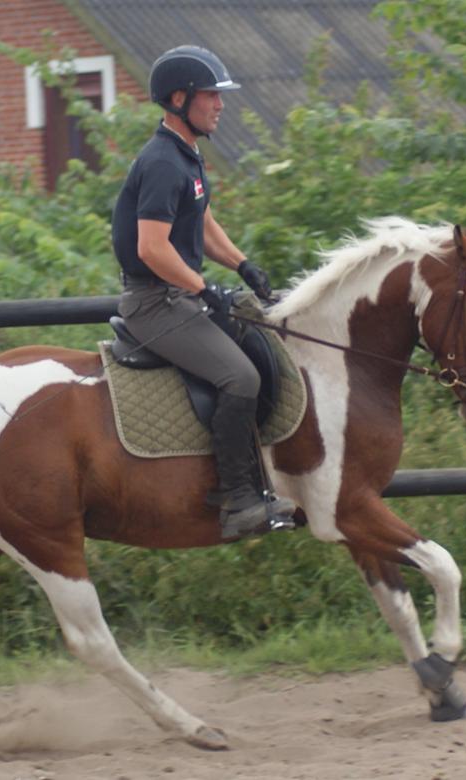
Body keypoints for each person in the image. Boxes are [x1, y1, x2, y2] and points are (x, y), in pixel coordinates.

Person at [111, 45, 296, 540]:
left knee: (262, 346)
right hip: (156, 303)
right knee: (239, 378)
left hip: (181, 296)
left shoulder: (186, 156)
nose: (220, 104)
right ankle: (236, 500)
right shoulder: (164, 163)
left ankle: (253, 476)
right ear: (179, 98)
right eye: (211, 95)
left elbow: (202, 223)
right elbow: (152, 249)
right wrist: (203, 286)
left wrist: (241, 264)